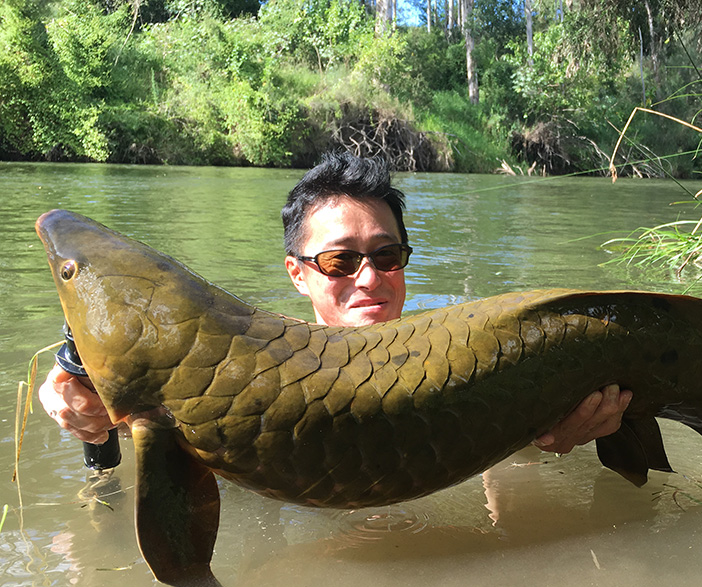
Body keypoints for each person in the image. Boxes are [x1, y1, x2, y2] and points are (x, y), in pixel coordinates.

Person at [40, 150, 632, 454]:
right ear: (297, 275)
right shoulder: (237, 374)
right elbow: (142, 418)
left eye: (387, 255)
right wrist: (73, 397)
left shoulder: (476, 362)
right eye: (341, 261)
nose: (369, 277)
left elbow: (507, 511)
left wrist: (541, 438)